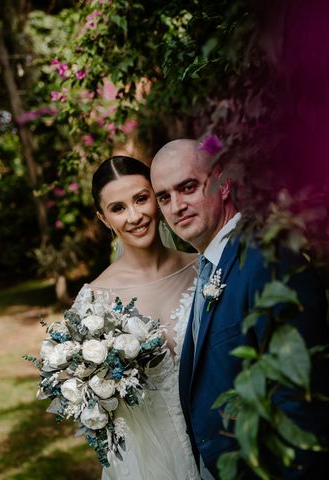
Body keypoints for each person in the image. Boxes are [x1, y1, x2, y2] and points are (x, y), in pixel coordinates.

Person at [150, 139, 329, 479]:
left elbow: (302, 404)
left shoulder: (267, 260)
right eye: (164, 197)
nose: (176, 206)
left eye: (187, 188)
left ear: (224, 182)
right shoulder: (210, 267)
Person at [71, 155, 200, 479]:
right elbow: (92, 405)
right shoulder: (93, 302)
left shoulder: (205, 268)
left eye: (141, 199)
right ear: (104, 219)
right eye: (118, 208)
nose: (135, 216)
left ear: (157, 197)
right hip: (147, 462)